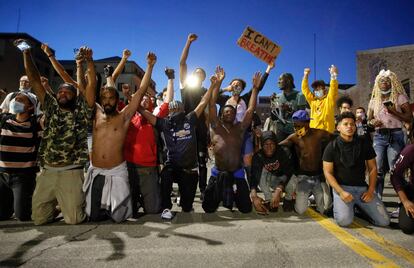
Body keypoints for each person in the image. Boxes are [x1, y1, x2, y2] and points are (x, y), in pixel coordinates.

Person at [19, 40, 96, 225]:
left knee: (74, 220)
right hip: (48, 171)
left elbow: (91, 84)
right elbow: (34, 79)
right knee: (38, 219)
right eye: (60, 91)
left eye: (67, 91)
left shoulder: (82, 109)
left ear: (75, 95)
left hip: (71, 171)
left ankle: (71, 202)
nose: (62, 93)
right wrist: (27, 54)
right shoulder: (51, 106)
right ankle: (59, 203)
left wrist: (89, 62)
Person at [83, 52, 156, 223]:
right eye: (104, 99)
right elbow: (92, 85)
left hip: (117, 170)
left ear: (117, 101)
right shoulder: (95, 113)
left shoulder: (124, 116)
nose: (107, 102)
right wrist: (90, 61)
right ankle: (100, 206)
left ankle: (112, 208)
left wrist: (150, 67)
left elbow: (141, 92)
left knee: (120, 217)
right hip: (97, 171)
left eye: (111, 99)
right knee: (92, 217)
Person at [138, 68, 220, 220]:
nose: (175, 110)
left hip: (189, 169)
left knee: (187, 208)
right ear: (168, 112)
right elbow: (145, 113)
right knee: (165, 173)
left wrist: (212, 86)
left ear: (183, 109)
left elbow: (203, 102)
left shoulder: (190, 119)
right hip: (173, 167)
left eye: (178, 108)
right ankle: (166, 207)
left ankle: (184, 201)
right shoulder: (164, 123)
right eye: (172, 108)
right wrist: (134, 100)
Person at [202, 67, 262, 214]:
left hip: (237, 172)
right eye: (226, 111)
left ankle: (232, 193)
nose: (229, 113)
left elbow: (250, 109)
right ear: (221, 114)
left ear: (235, 115)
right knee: (208, 208)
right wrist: (218, 83)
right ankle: (222, 193)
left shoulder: (240, 129)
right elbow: (211, 104)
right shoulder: (215, 126)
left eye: (232, 112)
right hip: (218, 173)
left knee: (246, 209)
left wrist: (255, 89)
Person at [323, 112, 390, 227]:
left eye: (352, 124)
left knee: (384, 222)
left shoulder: (364, 143)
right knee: (344, 221)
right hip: (342, 189)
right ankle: (340, 206)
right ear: (338, 127)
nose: (349, 127)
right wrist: (341, 192)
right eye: (345, 124)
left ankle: (359, 209)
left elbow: (373, 168)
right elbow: (328, 172)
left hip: (362, 189)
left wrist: (370, 190)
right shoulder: (331, 146)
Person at [124, 68, 173, 217]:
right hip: (128, 166)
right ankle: (135, 200)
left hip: (148, 167)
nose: (144, 99)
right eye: (141, 97)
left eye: (148, 98)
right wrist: (127, 96)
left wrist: (171, 78)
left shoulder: (156, 115)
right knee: (128, 212)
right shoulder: (129, 113)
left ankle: (145, 198)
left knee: (152, 209)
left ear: (152, 103)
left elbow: (168, 100)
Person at [367, 69, 412, 199]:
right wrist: (372, 123)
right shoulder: (374, 100)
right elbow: (368, 120)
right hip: (379, 136)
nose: (384, 83)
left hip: (396, 135)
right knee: (378, 169)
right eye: (381, 81)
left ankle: (403, 201)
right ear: (377, 83)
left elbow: (409, 118)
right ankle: (377, 201)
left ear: (392, 82)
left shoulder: (400, 97)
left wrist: (393, 112)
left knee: (395, 169)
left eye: (387, 80)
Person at [279, 110, 332, 215]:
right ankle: (288, 198)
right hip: (302, 175)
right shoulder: (295, 137)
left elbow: (335, 138)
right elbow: (277, 146)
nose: (296, 129)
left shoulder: (319, 133)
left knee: (325, 208)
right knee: (300, 210)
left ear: (307, 123)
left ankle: (314, 198)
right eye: (294, 126)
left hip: (318, 175)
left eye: (298, 126)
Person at [0, 92, 41, 221]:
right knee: (2, 215)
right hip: (2, 175)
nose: (15, 101)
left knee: (22, 215)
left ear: (30, 107)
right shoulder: (4, 119)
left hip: (23, 177)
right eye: (15, 99)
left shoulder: (36, 123)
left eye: (21, 100)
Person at [179, 33, 209, 199]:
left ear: (203, 78)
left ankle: (203, 190)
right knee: (186, 162)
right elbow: (182, 63)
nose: (198, 75)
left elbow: (206, 112)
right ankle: (186, 191)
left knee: (202, 160)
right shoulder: (186, 87)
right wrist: (188, 42)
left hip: (201, 128)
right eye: (196, 72)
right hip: (186, 127)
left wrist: (208, 130)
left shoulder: (205, 92)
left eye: (201, 74)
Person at [250, 131, 293, 214]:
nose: (269, 147)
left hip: (284, 180)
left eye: (272, 144)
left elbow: (288, 172)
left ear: (276, 144)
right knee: (260, 173)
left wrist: (279, 189)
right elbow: (254, 177)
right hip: (272, 179)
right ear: (262, 145)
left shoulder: (284, 152)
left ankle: (288, 199)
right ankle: (269, 200)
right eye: (266, 144)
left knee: (293, 179)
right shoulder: (257, 156)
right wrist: (254, 196)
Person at [264, 72, 307, 142]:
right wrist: (272, 104)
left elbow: (302, 117)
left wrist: (290, 110)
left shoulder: (300, 95)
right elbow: (274, 118)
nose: (278, 82)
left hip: (296, 132)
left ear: (288, 81)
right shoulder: (277, 97)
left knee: (298, 151)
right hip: (280, 132)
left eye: (280, 79)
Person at [302, 65, 339, 134]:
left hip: (327, 134)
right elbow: (305, 90)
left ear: (324, 90)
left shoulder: (329, 100)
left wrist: (333, 76)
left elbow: (333, 89)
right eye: (315, 89)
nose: (317, 90)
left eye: (319, 88)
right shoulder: (312, 101)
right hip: (314, 135)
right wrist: (305, 75)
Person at [390, 144, 414, 234]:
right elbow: (395, 175)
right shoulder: (410, 150)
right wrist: (405, 201)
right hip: (412, 192)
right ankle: (402, 207)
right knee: (407, 227)